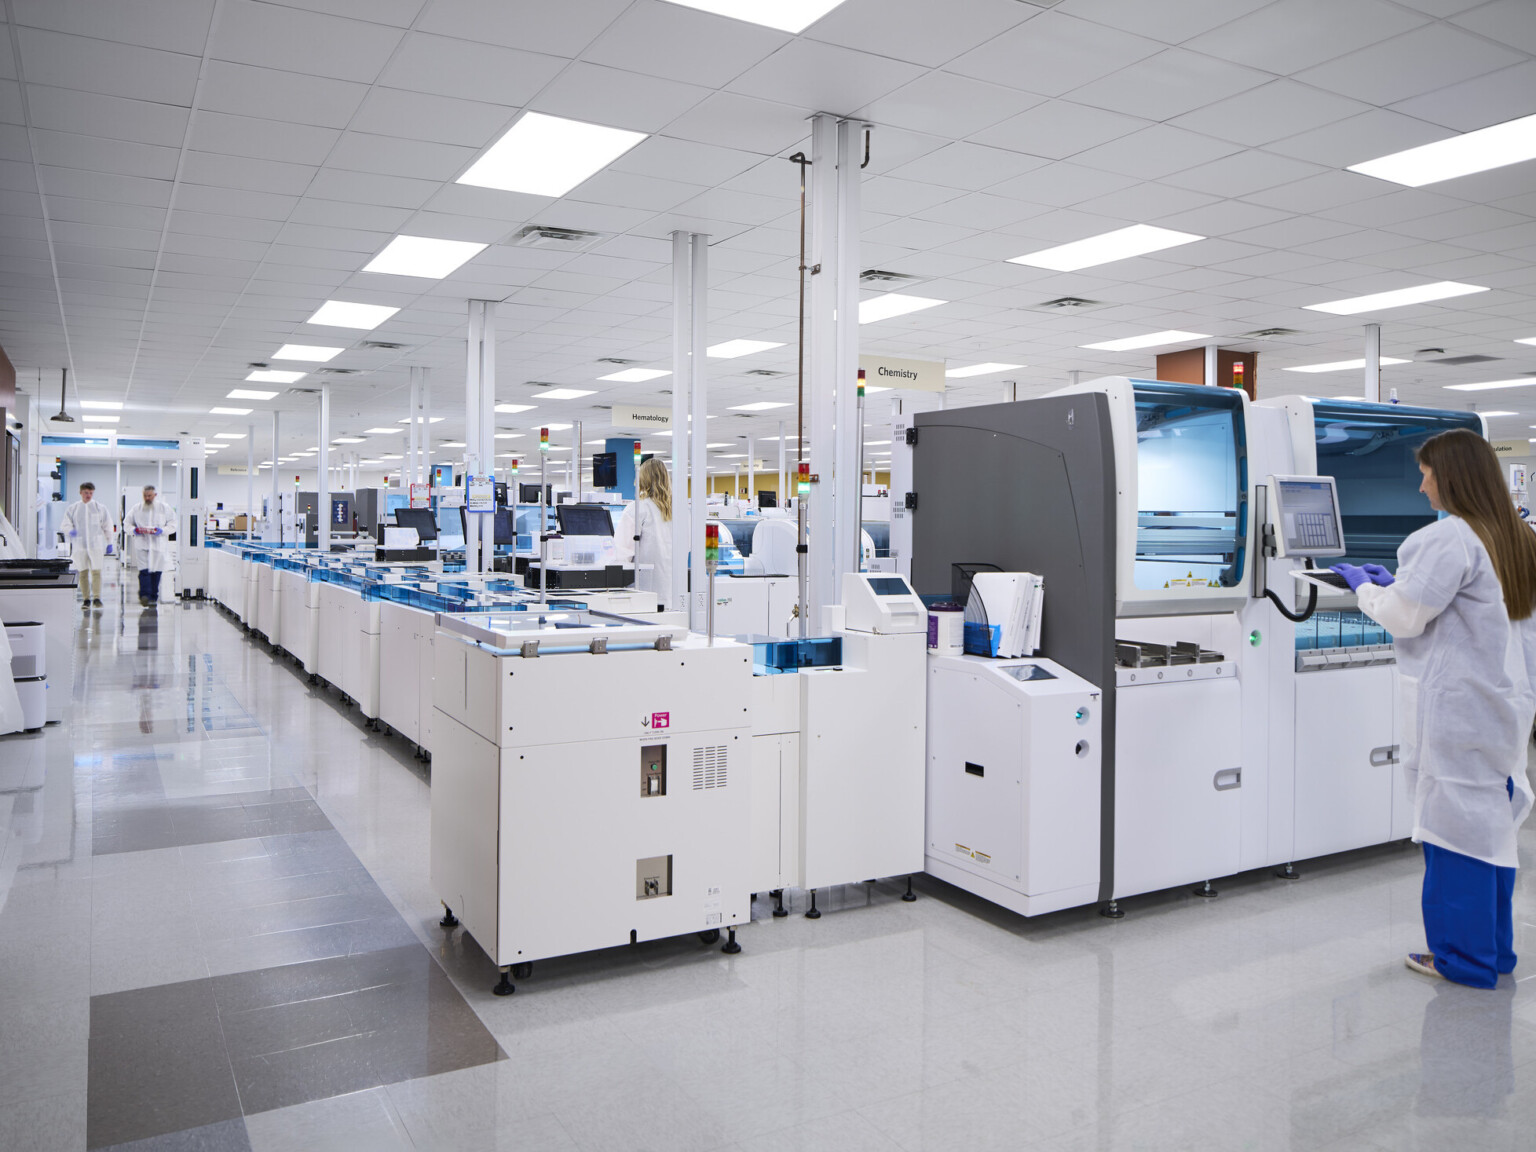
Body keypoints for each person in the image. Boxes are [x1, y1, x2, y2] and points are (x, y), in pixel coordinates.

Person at [1332, 429, 1536, 989]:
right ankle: (1494, 952)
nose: (1422, 486)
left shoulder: (1448, 539)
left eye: (1427, 474)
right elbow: (1474, 613)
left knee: (1452, 837)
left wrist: (1366, 591)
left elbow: (1405, 618)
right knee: (1492, 828)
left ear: (1452, 477)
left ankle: (1460, 961)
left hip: (1457, 711)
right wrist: (1399, 586)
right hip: (1504, 709)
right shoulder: (1515, 537)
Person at [615, 457, 673, 602]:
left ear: (642, 479)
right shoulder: (683, 511)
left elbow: (621, 554)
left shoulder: (637, 508)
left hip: (644, 593)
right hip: (674, 593)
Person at [59, 481, 114, 609]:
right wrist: (70, 530)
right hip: (79, 546)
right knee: (83, 573)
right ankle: (86, 599)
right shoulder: (73, 508)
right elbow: (65, 524)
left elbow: (107, 525)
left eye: (90, 493)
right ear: (80, 492)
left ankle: (97, 598)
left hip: (96, 545)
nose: (88, 495)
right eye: (86, 493)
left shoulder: (100, 508)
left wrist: (110, 542)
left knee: (96, 572)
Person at [124, 484, 174, 607]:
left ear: (155, 495)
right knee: (144, 571)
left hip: (158, 545)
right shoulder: (136, 508)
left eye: (150, 496)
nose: (147, 498)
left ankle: (153, 596)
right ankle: (144, 595)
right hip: (142, 544)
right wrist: (134, 530)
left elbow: (173, 524)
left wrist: (162, 530)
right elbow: (126, 524)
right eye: (145, 496)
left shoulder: (164, 508)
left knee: (156, 572)